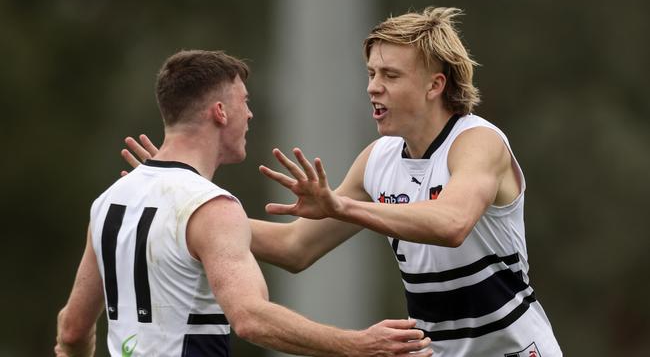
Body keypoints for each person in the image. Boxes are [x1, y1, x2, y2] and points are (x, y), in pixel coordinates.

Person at [122, 7, 562, 356]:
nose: (373, 87)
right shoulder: (379, 159)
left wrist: (340, 206)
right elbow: (296, 248)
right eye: (371, 74)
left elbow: (451, 223)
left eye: (390, 76)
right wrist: (187, 208)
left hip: (515, 349)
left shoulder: (477, 141)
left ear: (434, 85)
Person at [55, 49, 433, 357]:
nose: (250, 114)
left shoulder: (109, 202)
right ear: (220, 112)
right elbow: (251, 318)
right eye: (244, 102)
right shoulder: (213, 207)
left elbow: (72, 329)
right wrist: (358, 345)